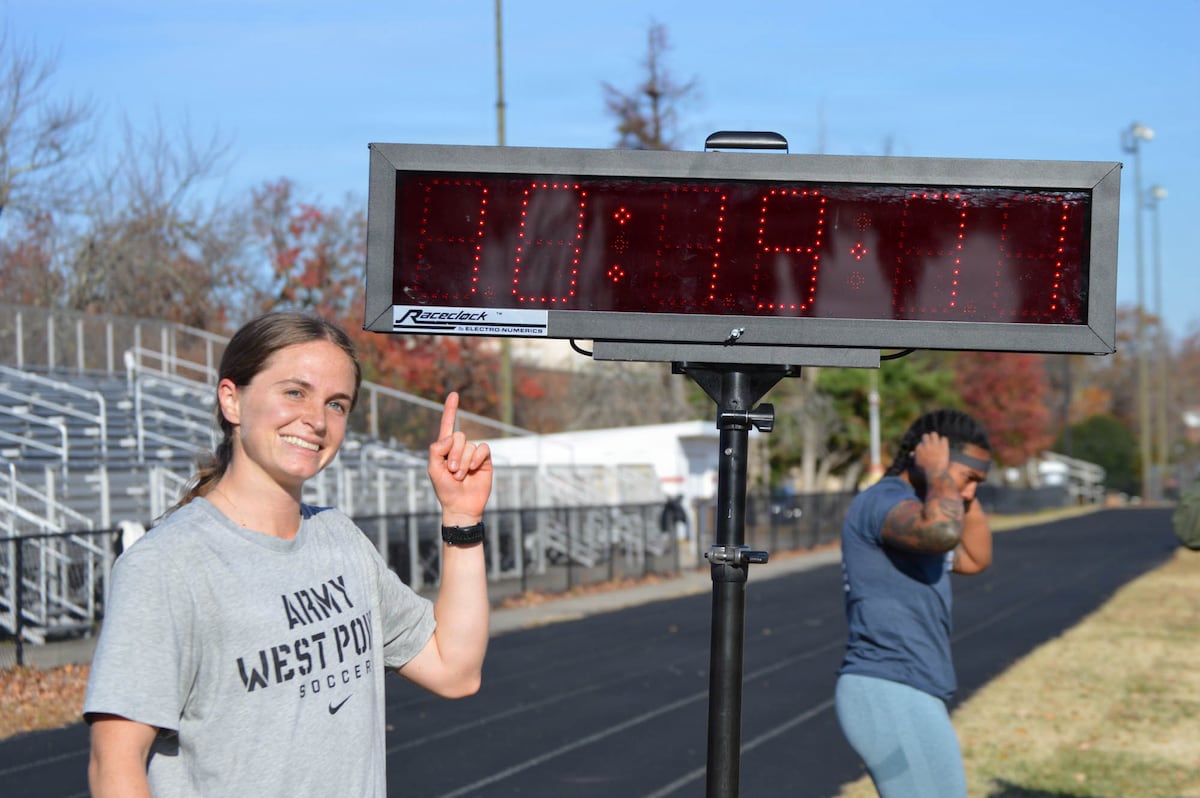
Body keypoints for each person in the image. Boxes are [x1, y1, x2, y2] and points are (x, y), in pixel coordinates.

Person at [84, 311, 492, 797]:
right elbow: (114, 767)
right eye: (294, 392)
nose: (317, 420)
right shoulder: (167, 565)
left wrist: (461, 517)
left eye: (336, 404)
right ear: (232, 400)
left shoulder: (339, 540)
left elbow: (455, 670)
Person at [835, 409, 993, 798]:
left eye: (979, 483)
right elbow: (940, 531)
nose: (970, 491)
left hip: (909, 687)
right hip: (888, 686)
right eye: (967, 477)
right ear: (930, 458)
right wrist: (942, 475)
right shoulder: (884, 502)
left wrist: (960, 487)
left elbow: (974, 558)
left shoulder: (922, 510)